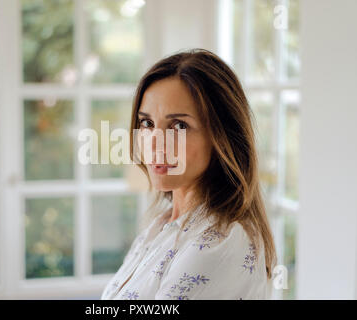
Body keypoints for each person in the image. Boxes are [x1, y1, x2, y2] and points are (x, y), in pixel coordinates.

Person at [101, 48, 276, 300]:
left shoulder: (220, 242)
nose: (154, 143)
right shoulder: (161, 226)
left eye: (179, 126)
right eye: (147, 123)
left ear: (221, 138)